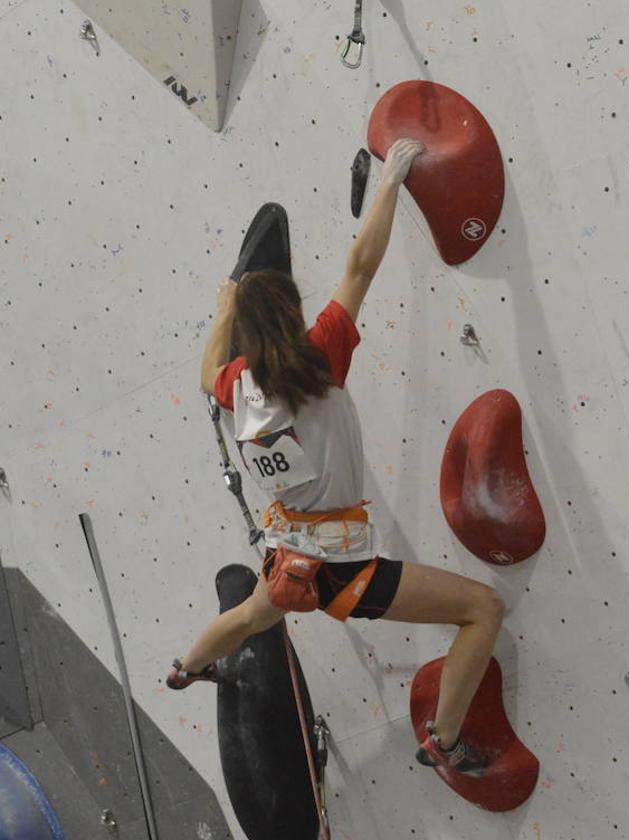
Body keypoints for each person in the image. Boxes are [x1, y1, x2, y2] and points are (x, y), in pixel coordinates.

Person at [166, 138, 503, 778]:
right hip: (344, 570)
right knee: (483, 610)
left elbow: (205, 369)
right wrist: (394, 179)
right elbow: (361, 266)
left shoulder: (237, 385)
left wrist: (222, 307)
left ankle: (186, 668)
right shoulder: (320, 357)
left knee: (245, 619)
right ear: (293, 315)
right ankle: (445, 739)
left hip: (289, 562)